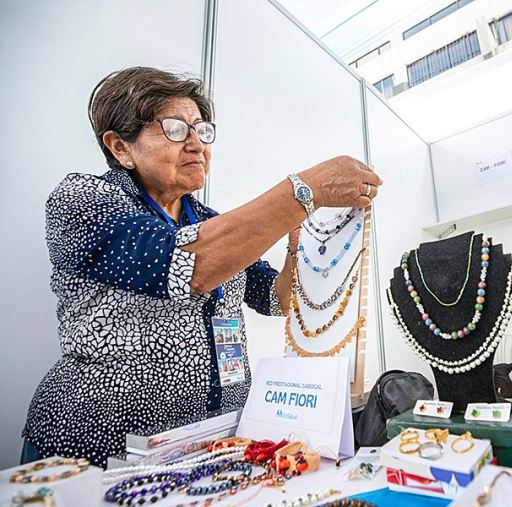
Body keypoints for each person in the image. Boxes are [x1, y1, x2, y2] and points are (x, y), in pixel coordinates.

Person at [21, 67, 382, 467]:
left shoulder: (209, 221)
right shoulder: (84, 202)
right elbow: (186, 264)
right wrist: (305, 190)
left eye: (202, 130)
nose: (196, 144)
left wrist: (299, 243)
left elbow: (275, 299)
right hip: (97, 449)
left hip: (213, 441)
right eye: (175, 129)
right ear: (120, 147)